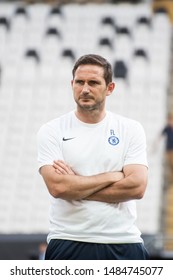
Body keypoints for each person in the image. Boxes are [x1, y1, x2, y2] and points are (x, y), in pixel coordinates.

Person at [37, 54, 149, 260]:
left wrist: (76, 187)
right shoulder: (51, 130)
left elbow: (137, 187)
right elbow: (58, 187)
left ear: (110, 88)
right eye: (79, 82)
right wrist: (112, 176)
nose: (85, 89)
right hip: (68, 240)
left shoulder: (130, 129)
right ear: (72, 84)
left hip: (124, 242)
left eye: (93, 82)